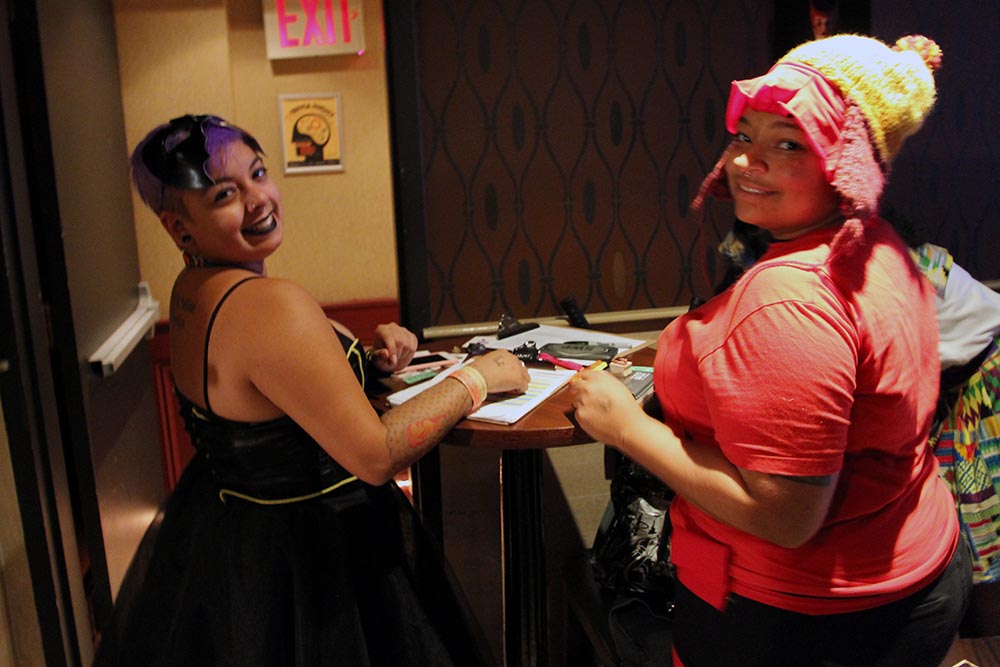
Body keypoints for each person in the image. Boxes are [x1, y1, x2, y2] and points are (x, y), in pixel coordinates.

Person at [570, 34, 972, 667]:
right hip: (910, 564)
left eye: (789, 143)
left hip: (804, 617)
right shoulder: (878, 242)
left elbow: (786, 516)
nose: (746, 161)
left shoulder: (789, 299)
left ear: (846, 162)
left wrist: (623, 427)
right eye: (744, 135)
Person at [93, 114, 530, 667]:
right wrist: (482, 376)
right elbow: (376, 456)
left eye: (258, 173)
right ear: (180, 229)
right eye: (226, 193)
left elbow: (265, 391)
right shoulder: (269, 304)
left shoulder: (193, 290)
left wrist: (362, 359)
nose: (258, 199)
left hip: (236, 538)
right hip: (314, 558)